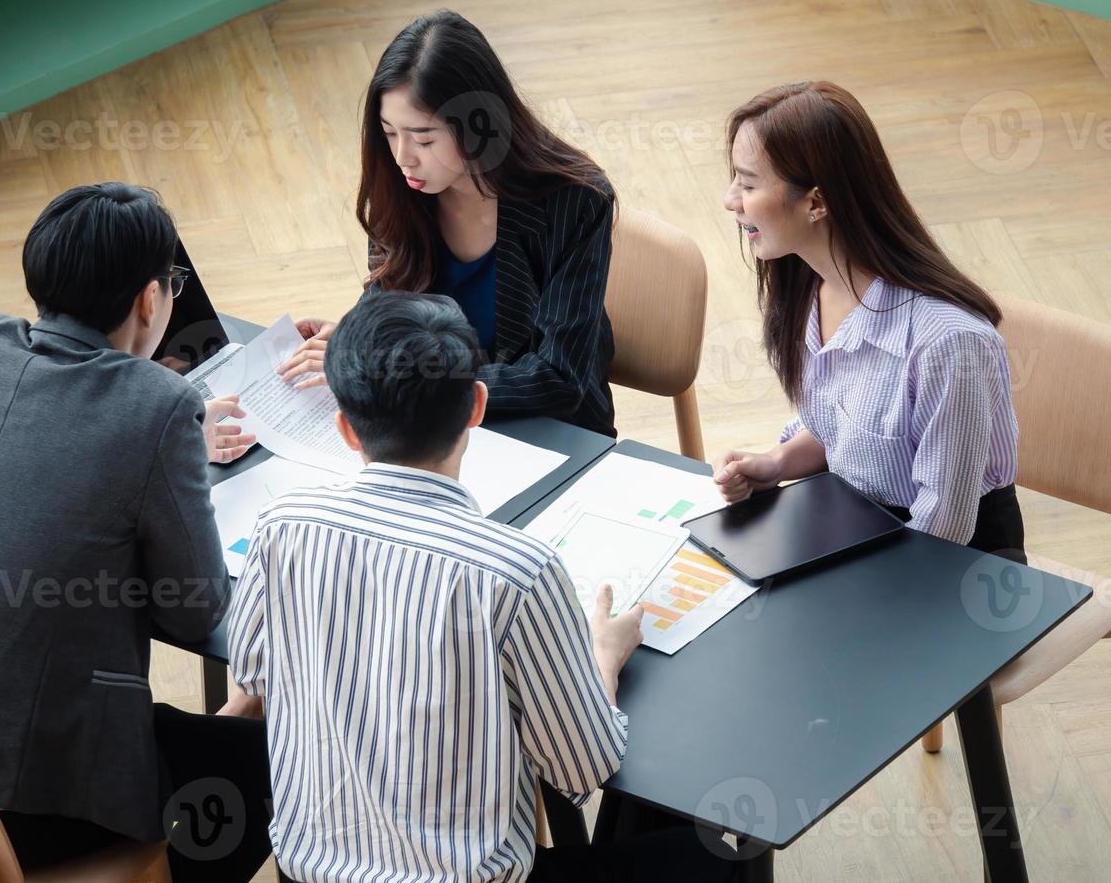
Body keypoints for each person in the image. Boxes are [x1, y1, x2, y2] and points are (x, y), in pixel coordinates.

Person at [0, 183, 272, 878]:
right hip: (19, 804)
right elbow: (197, 609)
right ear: (151, 300)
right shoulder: (159, 407)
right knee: (266, 769)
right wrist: (167, 441)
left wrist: (166, 442)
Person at [222, 290, 735, 882]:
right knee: (708, 851)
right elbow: (582, 766)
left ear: (345, 427)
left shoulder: (281, 528)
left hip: (309, 873)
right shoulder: (517, 572)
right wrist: (603, 658)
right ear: (477, 405)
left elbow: (256, 672)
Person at [712, 81, 1024, 560]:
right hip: (857, 522)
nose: (731, 199)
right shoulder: (806, 288)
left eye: (749, 184)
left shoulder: (951, 344)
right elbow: (851, 429)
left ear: (816, 203)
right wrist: (778, 462)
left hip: (950, 561)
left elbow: (944, 525)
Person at [278, 9, 620, 437]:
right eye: (389, 133)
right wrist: (355, 342)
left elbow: (558, 378)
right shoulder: (403, 187)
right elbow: (391, 300)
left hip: (545, 433)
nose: (403, 156)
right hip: (431, 429)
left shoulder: (576, 201)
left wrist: (393, 368)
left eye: (423, 138)